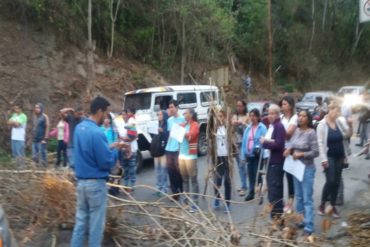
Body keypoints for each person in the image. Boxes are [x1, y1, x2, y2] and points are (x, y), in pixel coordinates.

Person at [70, 96, 123, 247]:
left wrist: (109, 147)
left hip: (81, 183)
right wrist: (115, 152)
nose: (105, 117)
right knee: (96, 227)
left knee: (80, 223)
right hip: (95, 185)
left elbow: (85, 152)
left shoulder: (80, 128)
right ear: (99, 111)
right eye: (105, 113)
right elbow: (106, 163)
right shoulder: (97, 132)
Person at [283, 110, 319, 236]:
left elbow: (316, 152)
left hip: (307, 169)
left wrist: (301, 154)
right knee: (298, 196)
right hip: (296, 168)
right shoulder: (297, 131)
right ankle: (300, 220)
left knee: (307, 198)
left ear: (308, 119)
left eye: (304, 116)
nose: (301, 118)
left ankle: (309, 225)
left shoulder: (311, 132)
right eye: (299, 116)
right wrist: (289, 149)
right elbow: (293, 143)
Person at [317, 101, 351, 218]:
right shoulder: (322, 124)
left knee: (336, 182)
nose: (336, 114)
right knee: (330, 180)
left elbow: (347, 136)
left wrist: (350, 125)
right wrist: (323, 159)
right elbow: (320, 143)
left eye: (337, 111)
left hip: (340, 155)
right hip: (329, 156)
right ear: (329, 110)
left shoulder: (340, 122)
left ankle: (332, 206)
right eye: (334, 111)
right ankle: (322, 204)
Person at [260, 104, 286, 219]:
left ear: (276, 114)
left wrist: (265, 143)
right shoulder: (273, 126)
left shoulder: (279, 126)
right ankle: (276, 216)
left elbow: (279, 144)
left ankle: (277, 218)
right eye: (268, 113)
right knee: (272, 190)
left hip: (276, 162)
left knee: (275, 190)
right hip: (272, 162)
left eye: (271, 113)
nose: (269, 116)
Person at [241, 108, 267, 201]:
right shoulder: (248, 128)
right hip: (249, 155)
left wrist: (261, 151)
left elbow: (265, 141)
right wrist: (243, 155)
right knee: (250, 174)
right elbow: (244, 141)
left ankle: (260, 194)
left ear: (258, 117)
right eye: (251, 116)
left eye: (254, 116)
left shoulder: (262, 127)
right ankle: (251, 193)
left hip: (257, 156)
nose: (252, 118)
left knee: (257, 175)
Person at [179, 109, 200, 212]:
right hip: (182, 155)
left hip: (190, 156)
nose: (184, 115)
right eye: (183, 113)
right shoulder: (184, 125)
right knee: (185, 180)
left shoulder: (195, 124)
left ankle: (195, 204)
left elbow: (191, 137)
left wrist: (182, 131)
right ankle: (185, 202)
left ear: (191, 115)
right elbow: (178, 137)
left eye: (185, 113)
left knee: (193, 180)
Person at [279, 95, 297, 212]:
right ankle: (281, 201)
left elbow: (289, 133)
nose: (283, 106)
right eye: (282, 104)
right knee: (280, 176)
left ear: (290, 106)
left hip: (291, 149)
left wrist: (277, 134)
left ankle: (290, 202)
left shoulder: (294, 118)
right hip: (280, 149)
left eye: (285, 104)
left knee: (290, 177)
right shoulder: (280, 117)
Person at [165, 99, 185, 200]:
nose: (171, 109)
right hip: (169, 148)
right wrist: (166, 146)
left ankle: (182, 190)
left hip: (178, 148)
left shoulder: (183, 119)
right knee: (170, 171)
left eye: (172, 107)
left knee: (178, 170)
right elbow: (169, 134)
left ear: (177, 108)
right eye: (169, 107)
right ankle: (174, 193)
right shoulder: (169, 120)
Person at [213, 109, 232, 213]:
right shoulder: (213, 129)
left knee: (227, 181)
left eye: (221, 116)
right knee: (217, 180)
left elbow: (232, 141)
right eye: (218, 116)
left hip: (227, 157)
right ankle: (217, 198)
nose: (219, 118)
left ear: (224, 117)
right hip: (218, 157)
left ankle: (228, 203)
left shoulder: (228, 128)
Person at [116, 108, 138, 191]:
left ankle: (132, 186)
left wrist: (123, 138)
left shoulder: (132, 122)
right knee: (125, 169)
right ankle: (126, 185)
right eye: (122, 114)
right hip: (123, 149)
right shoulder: (121, 124)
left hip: (132, 149)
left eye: (125, 114)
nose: (124, 116)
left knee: (132, 168)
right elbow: (118, 136)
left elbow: (133, 136)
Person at [232, 99, 249, 196]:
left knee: (244, 165)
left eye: (240, 106)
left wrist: (243, 123)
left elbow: (250, 127)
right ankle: (243, 185)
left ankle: (247, 185)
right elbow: (231, 123)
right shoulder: (235, 116)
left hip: (245, 143)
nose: (239, 108)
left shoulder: (247, 116)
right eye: (237, 106)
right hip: (236, 143)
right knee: (239, 166)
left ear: (244, 106)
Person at [150, 110, 169, 196]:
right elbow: (153, 136)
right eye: (158, 114)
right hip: (156, 150)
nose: (159, 116)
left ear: (164, 115)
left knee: (163, 170)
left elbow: (167, 136)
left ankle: (164, 188)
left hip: (163, 150)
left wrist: (162, 131)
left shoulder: (166, 124)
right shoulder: (157, 124)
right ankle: (158, 188)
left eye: (160, 114)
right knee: (157, 170)